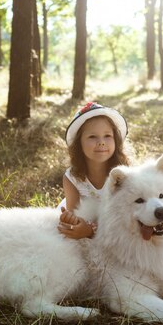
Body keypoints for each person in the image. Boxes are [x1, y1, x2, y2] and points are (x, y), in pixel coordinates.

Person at [57, 102, 130, 239]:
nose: (101, 142)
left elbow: (127, 217)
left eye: (107, 136)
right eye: (92, 137)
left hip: (115, 230)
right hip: (85, 222)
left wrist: (91, 231)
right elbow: (76, 216)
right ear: (79, 144)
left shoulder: (124, 175)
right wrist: (71, 219)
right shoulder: (72, 178)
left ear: (116, 140)